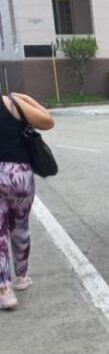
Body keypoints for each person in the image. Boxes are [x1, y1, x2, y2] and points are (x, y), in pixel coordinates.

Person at [0, 92, 54, 310]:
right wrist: (26, 99)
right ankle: (21, 277)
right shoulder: (11, 103)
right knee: (21, 227)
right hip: (19, 175)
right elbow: (47, 121)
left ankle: (4, 290)